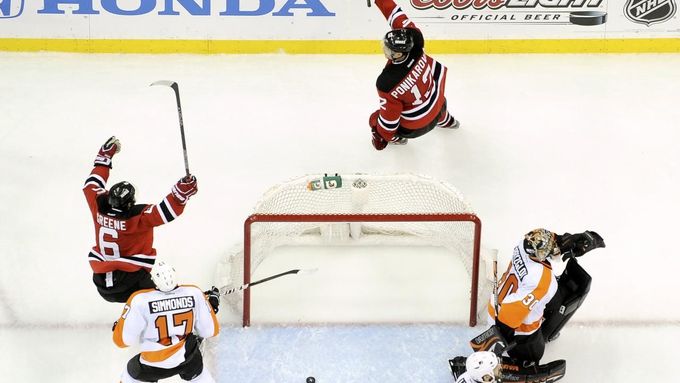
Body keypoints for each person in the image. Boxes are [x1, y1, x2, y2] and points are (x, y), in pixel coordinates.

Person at [83, 136, 198, 303]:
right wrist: (181, 193)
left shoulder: (97, 205)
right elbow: (166, 211)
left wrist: (103, 159)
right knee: (164, 297)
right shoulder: (138, 217)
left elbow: (91, 185)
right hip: (132, 283)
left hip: (101, 281)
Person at [471, 228, 605, 367]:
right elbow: (509, 315)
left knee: (554, 297)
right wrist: (500, 340)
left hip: (496, 305)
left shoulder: (523, 244)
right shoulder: (543, 280)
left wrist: (571, 240)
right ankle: (525, 359)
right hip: (507, 323)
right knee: (535, 353)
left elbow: (545, 238)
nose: (554, 246)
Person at [368, 0, 460, 150]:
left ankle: (397, 139)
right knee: (435, 103)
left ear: (397, 54)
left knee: (374, 118)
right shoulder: (415, 41)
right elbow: (395, 14)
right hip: (438, 103)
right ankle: (449, 122)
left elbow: (389, 121)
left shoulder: (387, 82)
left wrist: (381, 138)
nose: (385, 50)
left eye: (388, 49)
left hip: (415, 128)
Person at [112, 260, 221, 382]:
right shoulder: (194, 293)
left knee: (130, 373)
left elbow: (122, 341)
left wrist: (119, 325)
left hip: (152, 365)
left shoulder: (139, 300)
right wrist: (210, 306)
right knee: (200, 373)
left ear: (153, 280)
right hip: (188, 359)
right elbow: (210, 331)